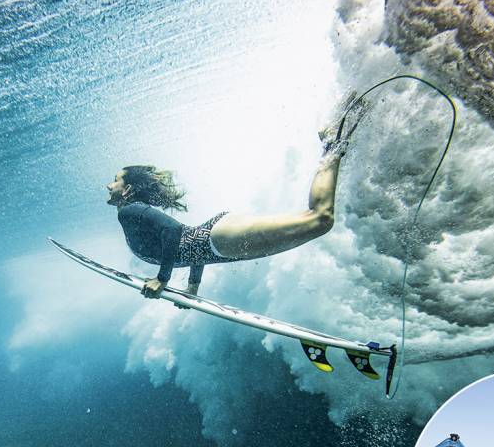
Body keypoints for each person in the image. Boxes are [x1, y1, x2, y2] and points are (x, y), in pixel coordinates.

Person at [106, 98, 368, 299]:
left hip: (220, 239)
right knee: (316, 221)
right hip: (220, 244)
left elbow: (174, 232)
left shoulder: (130, 211)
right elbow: (185, 245)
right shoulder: (133, 213)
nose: (109, 185)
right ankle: (337, 138)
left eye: (115, 180)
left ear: (128, 189)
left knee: (320, 219)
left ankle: (332, 143)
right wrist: (192, 288)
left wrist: (162, 279)